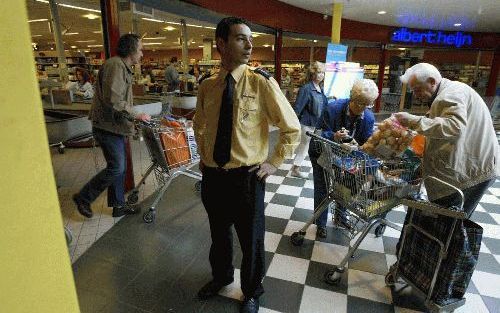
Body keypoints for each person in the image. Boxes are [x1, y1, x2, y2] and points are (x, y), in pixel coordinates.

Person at [193, 17, 300, 313]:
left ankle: (251, 290)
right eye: (241, 38)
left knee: (251, 239)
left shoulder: (261, 82)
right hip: (214, 176)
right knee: (219, 234)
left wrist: (274, 163)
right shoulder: (208, 86)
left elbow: (291, 127)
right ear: (222, 44)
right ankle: (221, 277)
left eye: (250, 39)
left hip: (247, 177)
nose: (250, 44)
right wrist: (205, 157)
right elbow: (199, 124)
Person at [394, 63, 499, 216]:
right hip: (472, 168)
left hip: (472, 173)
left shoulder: (451, 93)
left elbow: (454, 126)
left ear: (431, 81)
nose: (415, 95)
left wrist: (413, 121)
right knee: (449, 224)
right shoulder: (447, 92)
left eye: (417, 89)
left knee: (450, 226)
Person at [72, 34, 151, 219]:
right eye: (140, 49)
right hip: (107, 127)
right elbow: (113, 99)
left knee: (119, 167)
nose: (142, 53)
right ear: (131, 50)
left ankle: (118, 206)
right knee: (116, 167)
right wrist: (136, 114)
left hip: (114, 126)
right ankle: (83, 197)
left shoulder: (122, 67)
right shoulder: (115, 66)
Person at [309, 79, 378, 238]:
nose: (363, 109)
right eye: (360, 104)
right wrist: (333, 135)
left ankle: (341, 216)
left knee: (346, 185)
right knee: (323, 187)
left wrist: (370, 165)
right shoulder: (332, 108)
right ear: (352, 98)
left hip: (346, 157)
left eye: (367, 105)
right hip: (321, 153)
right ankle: (320, 224)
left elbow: (366, 143)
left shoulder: (368, 118)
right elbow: (317, 135)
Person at [290, 61, 328, 179]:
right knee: (304, 146)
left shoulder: (319, 88)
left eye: (323, 72)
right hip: (307, 123)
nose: (321, 75)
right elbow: (298, 107)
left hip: (316, 124)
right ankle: (295, 169)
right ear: (312, 74)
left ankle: (302, 167)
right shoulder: (306, 89)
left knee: (311, 146)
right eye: (319, 72)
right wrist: (293, 123)